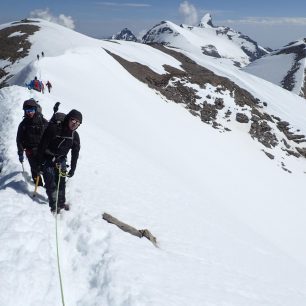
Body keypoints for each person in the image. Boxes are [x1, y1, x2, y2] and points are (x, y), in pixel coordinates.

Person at [37, 109, 82, 213]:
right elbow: (42, 146)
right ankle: (54, 205)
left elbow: (75, 153)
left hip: (61, 160)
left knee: (61, 183)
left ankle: (61, 203)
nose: (75, 124)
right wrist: (38, 164)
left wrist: (73, 168)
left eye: (78, 123)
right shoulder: (54, 129)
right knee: (50, 182)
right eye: (73, 120)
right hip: (47, 159)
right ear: (68, 119)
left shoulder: (74, 136)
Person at [16, 99, 48, 186]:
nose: (29, 113)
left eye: (32, 110)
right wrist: (20, 153)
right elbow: (19, 139)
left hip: (42, 149)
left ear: (35, 109)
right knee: (34, 169)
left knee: (45, 168)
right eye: (27, 111)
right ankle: (38, 185)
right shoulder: (23, 124)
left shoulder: (43, 121)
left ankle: (48, 186)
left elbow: (50, 134)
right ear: (25, 111)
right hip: (30, 151)